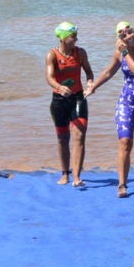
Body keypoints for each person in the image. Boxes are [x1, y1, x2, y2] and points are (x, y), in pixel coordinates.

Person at [87, 21, 134, 198]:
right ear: (119, 38)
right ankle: (122, 184)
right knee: (125, 142)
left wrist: (125, 53)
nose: (128, 36)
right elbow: (109, 72)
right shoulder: (120, 53)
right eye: (123, 34)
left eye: (130, 31)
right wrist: (94, 87)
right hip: (126, 102)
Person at [45, 22, 94, 187]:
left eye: (76, 36)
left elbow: (89, 72)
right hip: (59, 101)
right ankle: (65, 173)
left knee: (79, 135)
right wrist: (59, 87)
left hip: (78, 98)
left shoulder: (80, 53)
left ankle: (77, 176)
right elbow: (49, 77)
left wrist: (90, 83)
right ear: (63, 38)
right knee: (63, 138)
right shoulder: (52, 55)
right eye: (73, 36)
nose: (76, 39)